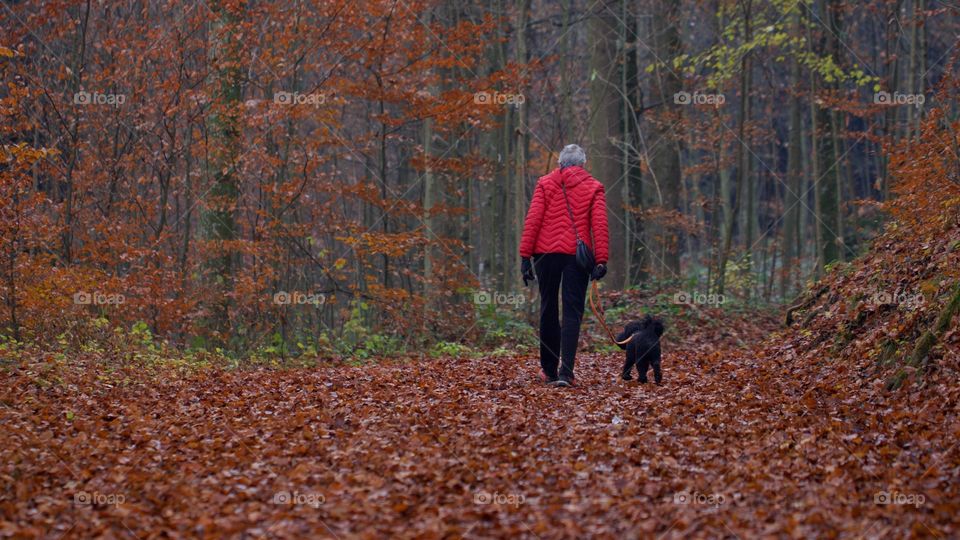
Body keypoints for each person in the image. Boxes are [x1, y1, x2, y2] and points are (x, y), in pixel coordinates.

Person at [519, 144, 609, 387]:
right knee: (572, 312)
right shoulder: (594, 187)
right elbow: (598, 225)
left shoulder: (545, 183)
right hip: (576, 257)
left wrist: (525, 256)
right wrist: (600, 260)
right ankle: (565, 373)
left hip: (544, 254)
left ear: (560, 163)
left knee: (548, 308)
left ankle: (548, 371)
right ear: (582, 165)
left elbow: (533, 218)